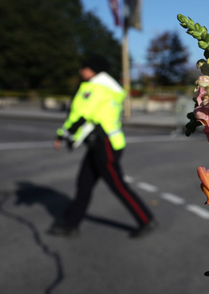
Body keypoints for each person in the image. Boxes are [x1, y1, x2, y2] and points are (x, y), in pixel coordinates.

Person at [49, 56, 156, 238]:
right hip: (102, 143)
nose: (81, 71)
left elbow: (82, 113)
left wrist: (63, 134)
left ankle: (145, 219)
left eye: (84, 67)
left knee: (117, 186)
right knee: (84, 184)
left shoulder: (96, 87)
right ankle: (70, 223)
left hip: (103, 144)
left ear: (93, 69)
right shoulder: (106, 86)